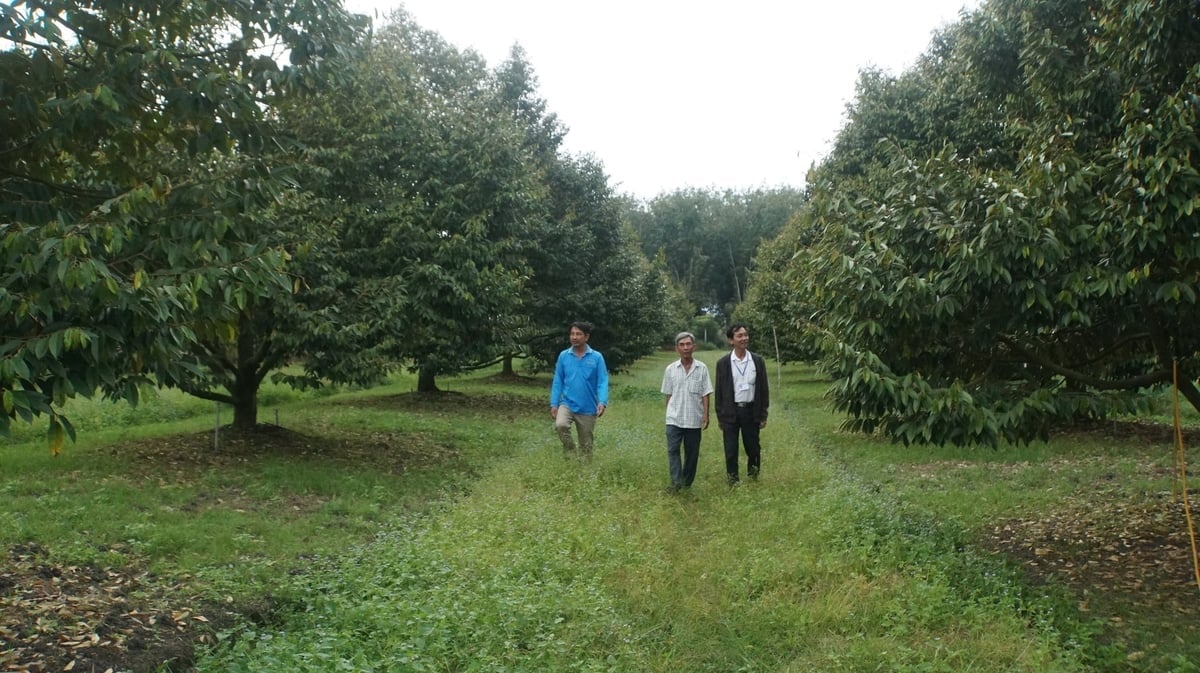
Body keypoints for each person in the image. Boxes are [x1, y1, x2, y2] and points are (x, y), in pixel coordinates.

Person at [714, 323, 769, 485]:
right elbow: (719, 392)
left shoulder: (757, 361)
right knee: (730, 449)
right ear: (731, 340)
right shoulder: (723, 363)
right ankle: (733, 479)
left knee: (753, 447)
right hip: (731, 411)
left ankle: (753, 476)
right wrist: (720, 416)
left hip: (751, 411)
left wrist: (763, 414)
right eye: (739, 336)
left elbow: (763, 389)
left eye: (745, 335)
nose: (744, 338)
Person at [660, 331, 712, 492]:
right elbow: (668, 394)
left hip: (693, 419)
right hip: (674, 418)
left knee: (692, 454)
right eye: (682, 345)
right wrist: (668, 413)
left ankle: (686, 483)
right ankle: (676, 483)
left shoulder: (701, 368)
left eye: (688, 344)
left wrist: (706, 415)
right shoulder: (670, 369)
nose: (685, 348)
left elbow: (705, 393)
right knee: (673, 450)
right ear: (677, 348)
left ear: (694, 347)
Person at [549, 321, 609, 459]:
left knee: (586, 445)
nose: (574, 337)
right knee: (560, 425)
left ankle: (584, 468)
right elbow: (558, 381)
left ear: (586, 337)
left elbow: (602, 381)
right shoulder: (564, 356)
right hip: (567, 403)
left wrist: (602, 401)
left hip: (587, 407)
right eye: (572, 334)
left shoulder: (596, 357)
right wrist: (554, 403)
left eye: (578, 334)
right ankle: (570, 452)